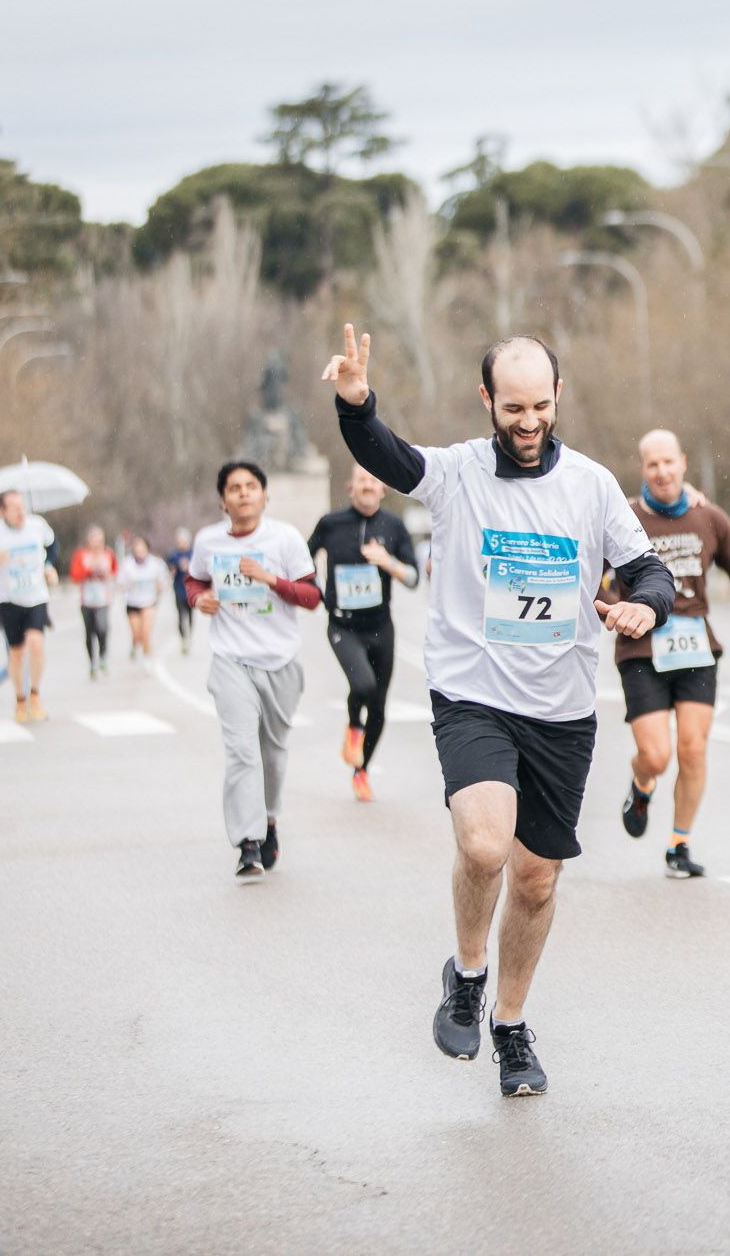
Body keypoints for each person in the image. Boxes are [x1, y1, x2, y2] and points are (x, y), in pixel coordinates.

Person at [325, 323, 674, 1097]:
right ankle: (467, 971)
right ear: (487, 399)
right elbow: (390, 456)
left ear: (558, 400)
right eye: (511, 406)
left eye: (540, 406)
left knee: (538, 879)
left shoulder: (588, 483)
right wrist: (357, 405)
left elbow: (647, 567)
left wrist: (644, 607)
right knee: (485, 845)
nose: (526, 422)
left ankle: (512, 1025)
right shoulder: (455, 474)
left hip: (561, 705)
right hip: (473, 692)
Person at [602, 428, 730, 878]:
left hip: (695, 646)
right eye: (652, 464)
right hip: (642, 649)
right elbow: (594, 573)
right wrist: (610, 608)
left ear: (683, 463)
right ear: (643, 470)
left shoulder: (707, 516)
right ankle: (641, 784)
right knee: (656, 755)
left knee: (692, 750)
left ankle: (679, 844)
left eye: (668, 462)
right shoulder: (624, 517)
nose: (662, 472)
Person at [184, 462, 321, 880]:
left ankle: (270, 819)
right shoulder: (208, 541)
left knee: (272, 754)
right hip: (230, 659)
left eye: (250, 487)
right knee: (242, 751)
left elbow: (312, 596)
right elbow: (192, 581)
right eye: (234, 488)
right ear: (223, 500)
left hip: (279, 660)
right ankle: (248, 842)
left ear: (264, 496)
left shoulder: (284, 538)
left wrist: (270, 579)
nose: (243, 494)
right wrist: (198, 600)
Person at [308, 466, 421, 803]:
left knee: (381, 705)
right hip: (343, 624)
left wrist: (388, 562)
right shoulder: (331, 524)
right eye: (362, 480)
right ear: (350, 487)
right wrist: (314, 588)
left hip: (380, 626)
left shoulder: (394, 526)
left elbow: (413, 578)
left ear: (383, 488)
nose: (368, 485)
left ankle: (362, 770)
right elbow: (303, 556)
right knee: (363, 686)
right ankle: (353, 725)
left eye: (374, 480)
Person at [0, 490, 59, 722]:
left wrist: (49, 565)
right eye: (14, 508)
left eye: (23, 506)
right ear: (3, 511)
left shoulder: (37, 525)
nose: (21, 512)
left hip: (36, 595)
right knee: (17, 654)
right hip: (9, 599)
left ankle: (35, 696)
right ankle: (20, 701)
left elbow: (52, 547)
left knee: (37, 644)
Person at [70, 526, 118, 679]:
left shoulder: (108, 554)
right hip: (87, 600)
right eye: (93, 539)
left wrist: (107, 575)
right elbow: (75, 576)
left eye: (99, 539)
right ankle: (92, 662)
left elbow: (115, 572)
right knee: (89, 631)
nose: (96, 543)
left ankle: (103, 656)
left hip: (103, 599)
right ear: (88, 541)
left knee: (102, 628)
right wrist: (88, 570)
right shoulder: (81, 555)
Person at [120, 535, 171, 662]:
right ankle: (134, 644)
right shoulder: (127, 564)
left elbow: (165, 580)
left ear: (147, 548)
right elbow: (120, 583)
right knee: (137, 634)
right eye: (137, 547)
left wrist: (161, 586)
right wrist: (127, 585)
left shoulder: (156, 564)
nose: (139, 550)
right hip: (132, 602)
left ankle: (147, 658)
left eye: (142, 547)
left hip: (149, 602)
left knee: (146, 632)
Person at [166, 528, 195, 654]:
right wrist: (174, 568)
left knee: (190, 615)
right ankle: (183, 637)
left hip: (191, 589)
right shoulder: (174, 555)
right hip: (178, 588)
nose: (182, 543)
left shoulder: (193, 553)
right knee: (180, 614)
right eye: (180, 541)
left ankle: (189, 635)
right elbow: (170, 569)